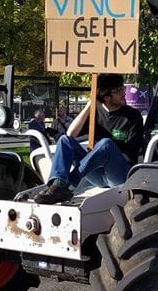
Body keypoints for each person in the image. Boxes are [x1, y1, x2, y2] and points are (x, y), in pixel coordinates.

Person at [36, 74, 143, 204]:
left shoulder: (133, 116)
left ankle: (67, 184)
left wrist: (101, 154)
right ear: (106, 97)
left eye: (123, 89)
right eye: (118, 91)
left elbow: (128, 156)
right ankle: (57, 184)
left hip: (119, 174)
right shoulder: (94, 112)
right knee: (65, 140)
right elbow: (70, 134)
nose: (124, 93)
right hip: (96, 174)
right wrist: (89, 105)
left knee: (106, 144)